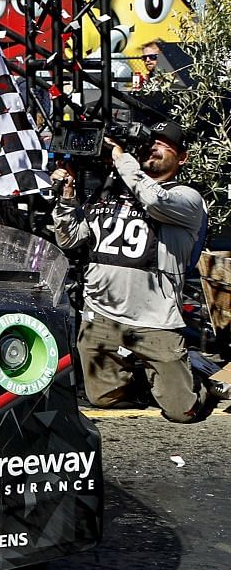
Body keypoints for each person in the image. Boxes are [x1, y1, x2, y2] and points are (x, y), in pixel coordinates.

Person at [52, 125, 225, 421]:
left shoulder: (186, 198)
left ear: (182, 158)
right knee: (104, 399)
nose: (154, 147)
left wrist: (121, 159)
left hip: (154, 320)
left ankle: (200, 378)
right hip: (100, 315)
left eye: (165, 144)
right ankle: (146, 380)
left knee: (183, 411)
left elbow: (154, 200)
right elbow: (70, 240)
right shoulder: (107, 194)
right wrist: (67, 196)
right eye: (151, 143)